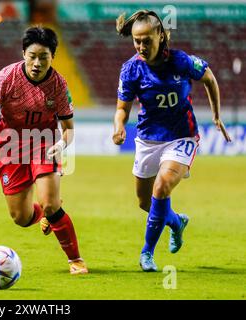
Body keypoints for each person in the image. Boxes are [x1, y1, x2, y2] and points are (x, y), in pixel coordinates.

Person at [0, 26, 88, 275]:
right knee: (20, 217)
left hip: (44, 142)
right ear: (23, 54)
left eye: (44, 57)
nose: (37, 63)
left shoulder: (59, 86)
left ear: (53, 57)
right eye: (32, 56)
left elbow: (69, 128)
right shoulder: (7, 77)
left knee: (51, 204)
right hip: (11, 145)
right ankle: (45, 215)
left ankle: (75, 259)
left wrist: (61, 143)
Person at [112, 10, 231, 272]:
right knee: (145, 202)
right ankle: (176, 222)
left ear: (161, 36)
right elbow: (122, 108)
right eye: (136, 41)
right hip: (147, 139)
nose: (141, 46)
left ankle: (147, 254)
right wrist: (119, 127)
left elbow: (209, 78)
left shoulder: (181, 61)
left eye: (146, 40)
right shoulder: (131, 69)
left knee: (161, 186)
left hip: (182, 135)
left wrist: (216, 115)